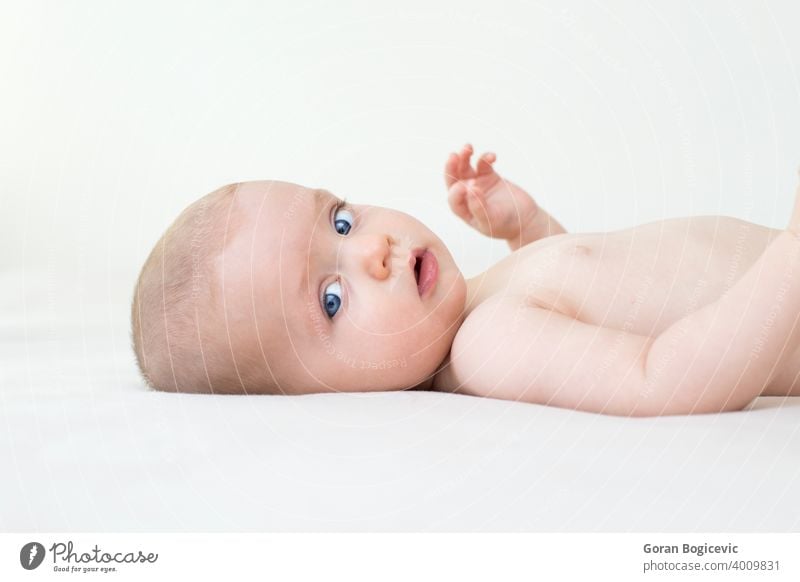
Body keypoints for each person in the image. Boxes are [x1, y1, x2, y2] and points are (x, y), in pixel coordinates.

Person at [131, 144, 800, 416]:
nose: (373, 251)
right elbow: (663, 374)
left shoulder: (490, 301)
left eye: (339, 222)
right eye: (331, 300)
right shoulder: (487, 345)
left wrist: (531, 231)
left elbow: (611, 303)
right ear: (324, 393)